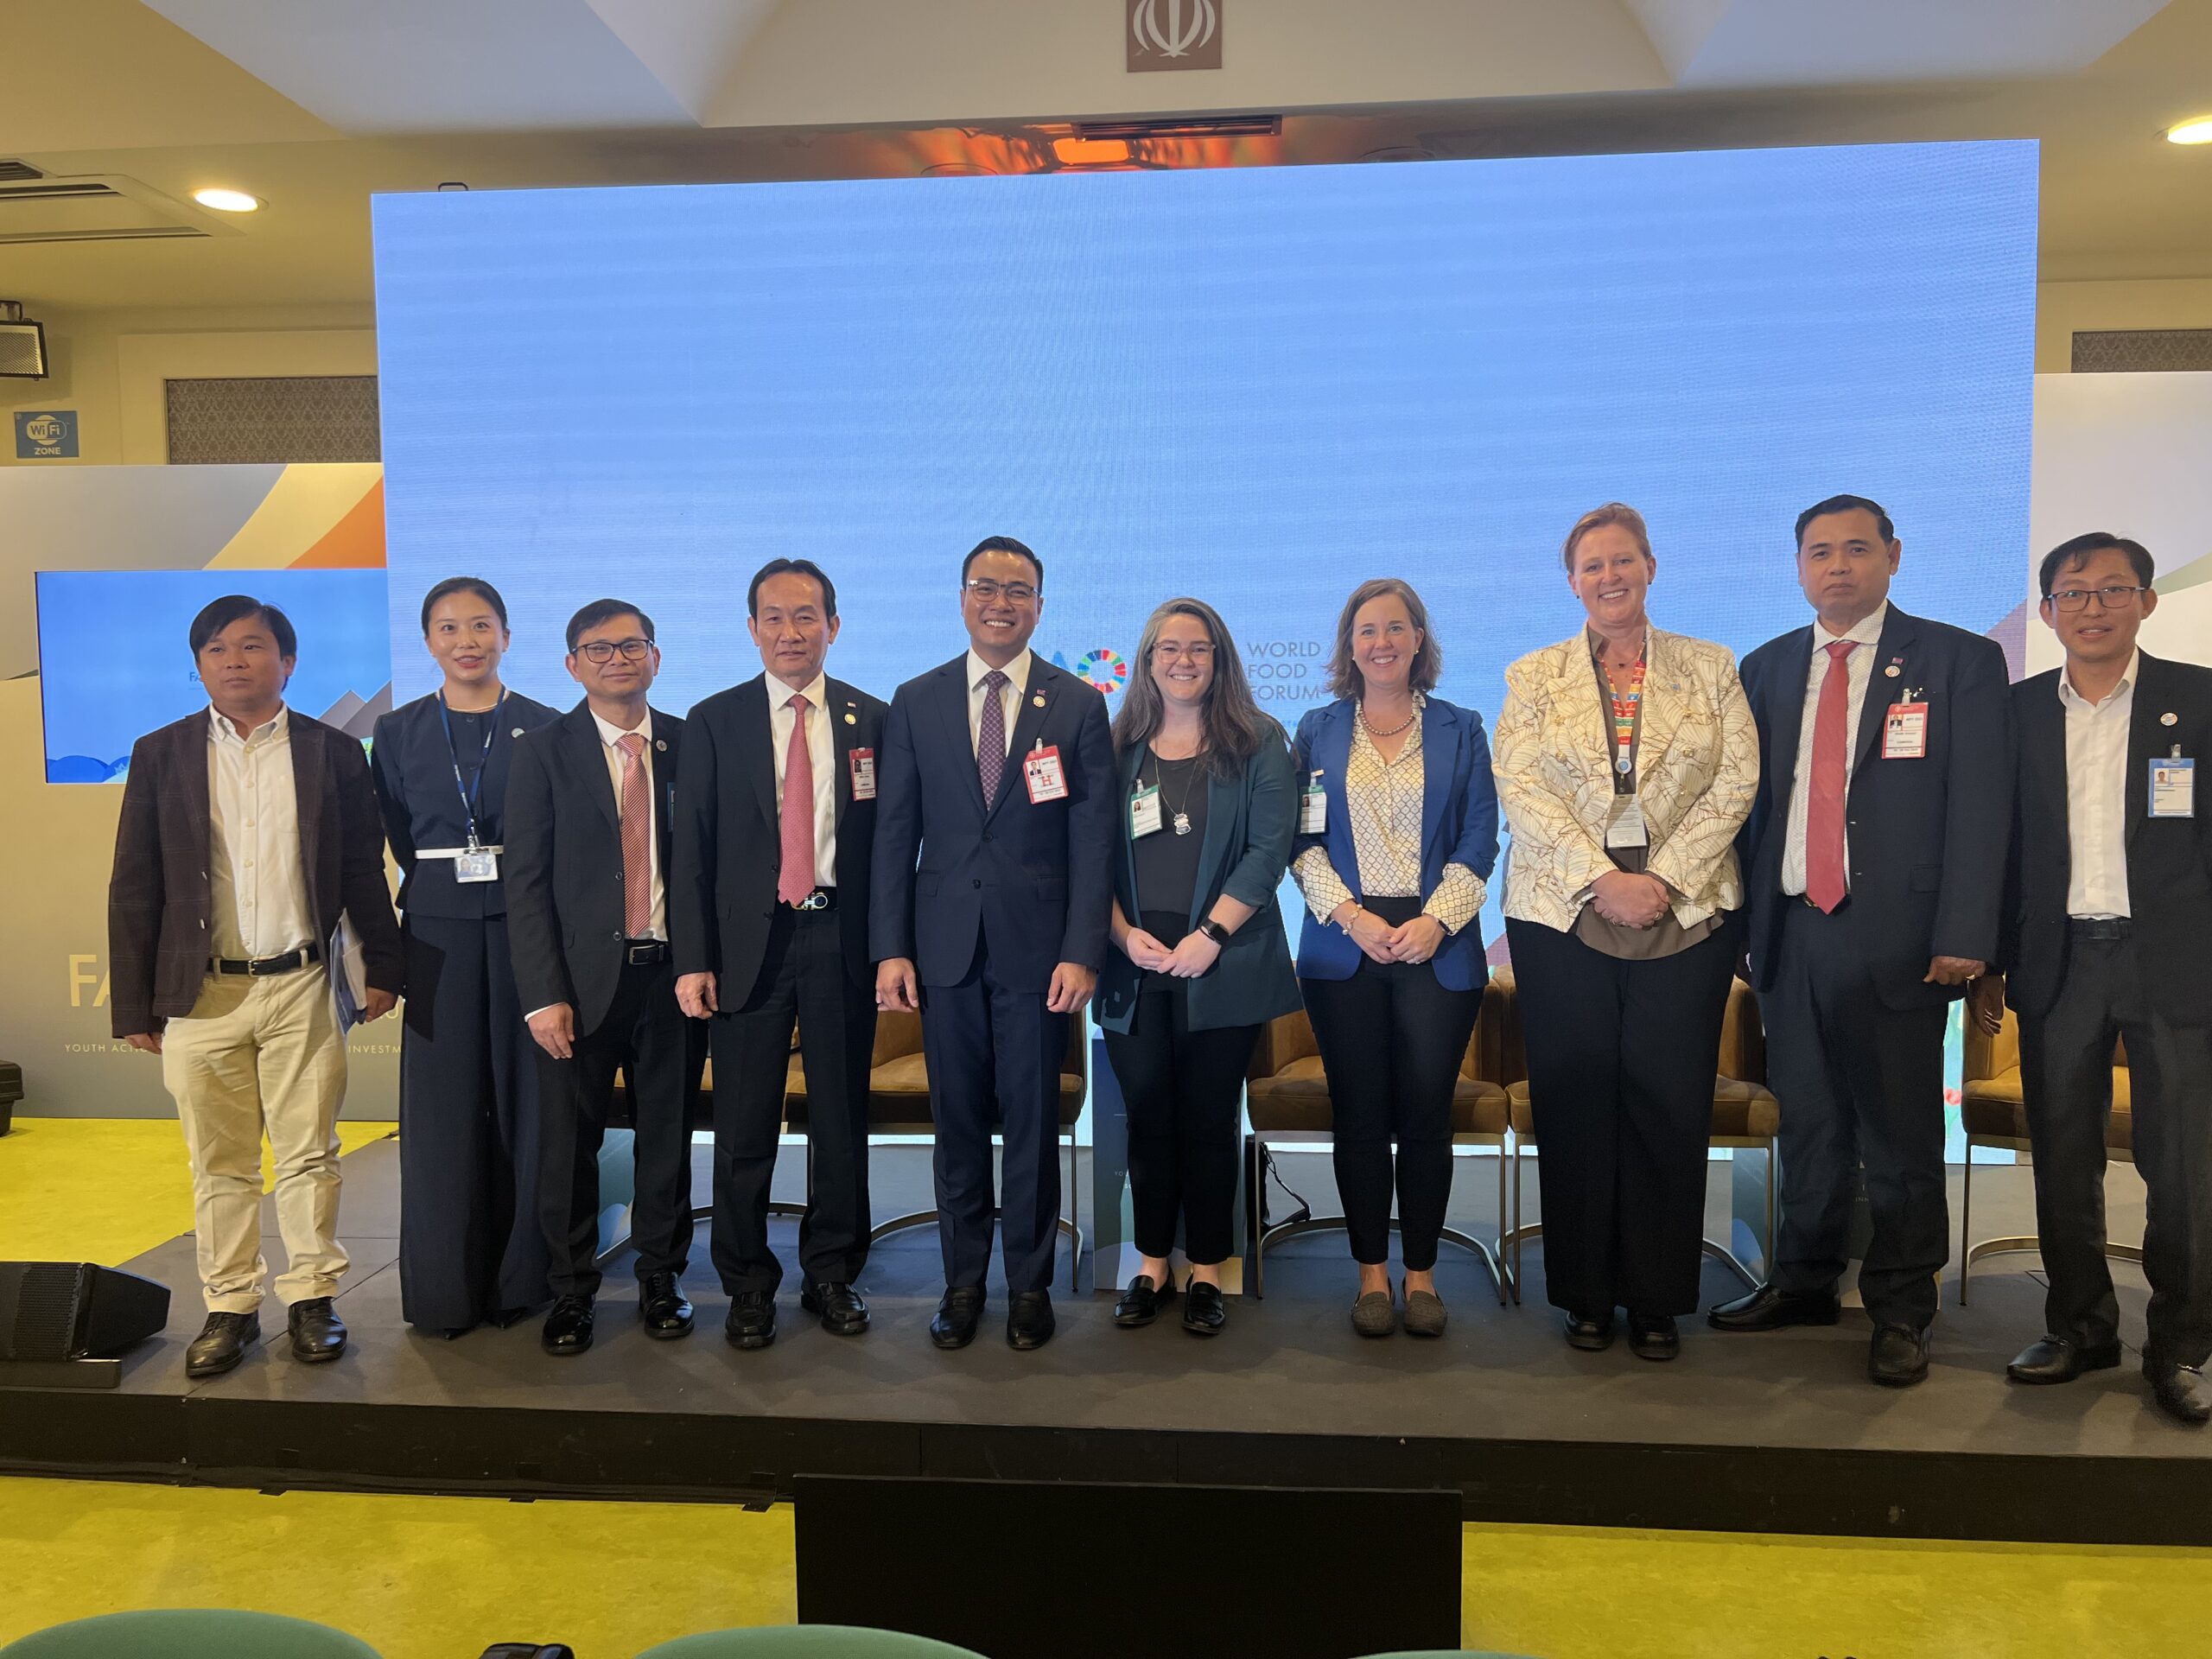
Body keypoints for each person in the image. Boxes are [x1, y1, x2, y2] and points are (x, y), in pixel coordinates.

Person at [1713, 494, 2012, 1387]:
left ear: (1892, 556)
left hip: (1903, 940)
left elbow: (1982, 808)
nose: (1836, 566)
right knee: (1807, 1124)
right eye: (1818, 552)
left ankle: (1901, 1307)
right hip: (1792, 932)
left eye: (1854, 549)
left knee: (1899, 1134)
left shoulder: (1958, 661)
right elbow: (1741, 810)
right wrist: (1739, 925)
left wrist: (1968, 932)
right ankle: (1802, 1281)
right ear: (1797, 567)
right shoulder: (1765, 669)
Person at [107, 595, 401, 1378]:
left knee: (310, 1154)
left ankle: (312, 1299)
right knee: (219, 1162)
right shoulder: (161, 751)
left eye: (252, 646)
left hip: (302, 983)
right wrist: (134, 1001)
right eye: (216, 649)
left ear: (288, 660)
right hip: (200, 994)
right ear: (198, 664)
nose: (235, 660)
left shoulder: (334, 753)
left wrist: (386, 965)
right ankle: (230, 1307)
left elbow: (358, 870)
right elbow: (134, 884)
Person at [1494, 505, 1758, 1360]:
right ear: (1571, 581)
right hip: (1559, 912)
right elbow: (1520, 788)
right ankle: (1581, 1295)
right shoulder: (1531, 676)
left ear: (1649, 567)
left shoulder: (1711, 666)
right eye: (1591, 566)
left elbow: (1737, 778)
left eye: (1622, 561)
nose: (1608, 577)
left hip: (1685, 912)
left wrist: (1662, 880)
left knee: (1666, 1102)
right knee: (1572, 1099)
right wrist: (1599, 878)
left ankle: (1653, 1300)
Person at [1974, 533, 2212, 1425]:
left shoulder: (2197, 700)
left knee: (2183, 1164)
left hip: (2176, 962)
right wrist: (1989, 957)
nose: (2093, 606)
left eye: (2114, 589)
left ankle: (2183, 1345)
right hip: (2059, 959)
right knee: (2062, 1156)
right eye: (2072, 593)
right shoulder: (2018, 709)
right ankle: (2079, 1327)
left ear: (2147, 602)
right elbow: (1995, 849)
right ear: (2046, 613)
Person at [872, 535, 1116, 1352]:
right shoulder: (917, 698)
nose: (1001, 602)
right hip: (942, 950)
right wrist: (891, 948)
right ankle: (963, 1282)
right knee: (959, 1126)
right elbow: (894, 833)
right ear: (963, 598)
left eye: (1018, 590)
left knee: (1034, 1125)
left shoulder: (1077, 702)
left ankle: (1030, 1286)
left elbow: (1093, 842)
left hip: (1038, 956)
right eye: (986, 587)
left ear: (1040, 605)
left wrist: (1083, 949)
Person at [671, 559, 888, 1349]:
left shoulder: (874, 719)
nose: (791, 632)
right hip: (743, 948)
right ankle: (746, 1282)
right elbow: (687, 853)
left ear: (834, 625)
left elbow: (892, 851)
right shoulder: (714, 720)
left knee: (840, 1119)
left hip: (841, 940)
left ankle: (833, 1272)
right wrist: (693, 957)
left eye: (807, 616)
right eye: (774, 617)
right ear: (752, 627)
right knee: (744, 1122)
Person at [1288, 578, 1498, 1338]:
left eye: (1396, 628)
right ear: (1350, 645)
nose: (1381, 641)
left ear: (1418, 640)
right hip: (1344, 946)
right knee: (1360, 1116)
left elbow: (1481, 839)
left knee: (1425, 1116)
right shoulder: (1315, 729)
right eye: (1366, 630)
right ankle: (1371, 1275)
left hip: (1436, 947)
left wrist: (1435, 924)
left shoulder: (1461, 727)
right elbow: (1301, 843)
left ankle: (1422, 1277)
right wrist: (1350, 916)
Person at [1096, 598, 1301, 1338]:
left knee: (1212, 1118)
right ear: (1148, 660)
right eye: (1168, 648)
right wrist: (1118, 935)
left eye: (1199, 648)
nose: (1184, 660)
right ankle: (1151, 1263)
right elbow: (1088, 858)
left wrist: (1211, 933)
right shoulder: (1115, 746)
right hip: (1134, 960)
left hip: (1225, 955)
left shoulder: (1258, 742)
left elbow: (1269, 849)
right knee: (1147, 1114)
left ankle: (1209, 1268)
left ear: (1220, 659)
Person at [505, 599, 704, 1357]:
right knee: (568, 1145)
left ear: (656, 657)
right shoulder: (543, 751)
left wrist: (701, 964)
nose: (618, 659)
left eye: (633, 645)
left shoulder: (691, 745)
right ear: (572, 665)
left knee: (668, 1140)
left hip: (672, 981)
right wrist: (542, 995)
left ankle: (661, 1279)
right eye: (599, 648)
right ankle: (570, 1291)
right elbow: (523, 884)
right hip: (577, 989)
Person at [371, 577, 559, 1338]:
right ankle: (445, 1290)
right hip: (437, 933)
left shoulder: (546, 726)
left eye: (482, 626)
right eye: (449, 629)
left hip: (526, 926)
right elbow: (393, 830)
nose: (467, 641)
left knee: (529, 1103)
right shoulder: (397, 731)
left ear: (507, 636)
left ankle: (524, 1281)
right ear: (428, 644)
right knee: (442, 1112)